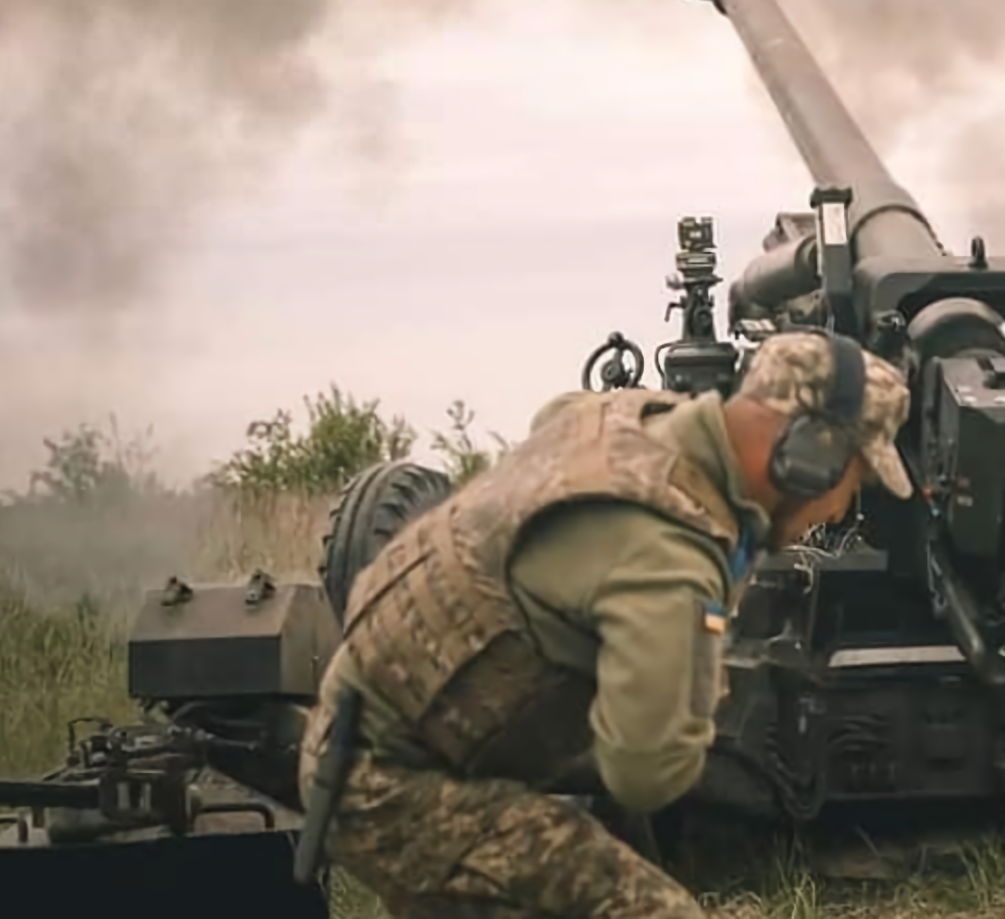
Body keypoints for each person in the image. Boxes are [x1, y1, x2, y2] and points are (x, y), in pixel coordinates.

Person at [296, 328, 912, 919]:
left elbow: (554, 415)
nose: (841, 508)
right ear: (810, 453)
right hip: (389, 789)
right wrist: (697, 665)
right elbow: (646, 772)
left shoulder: (628, 417)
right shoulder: (671, 558)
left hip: (373, 725)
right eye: (853, 480)